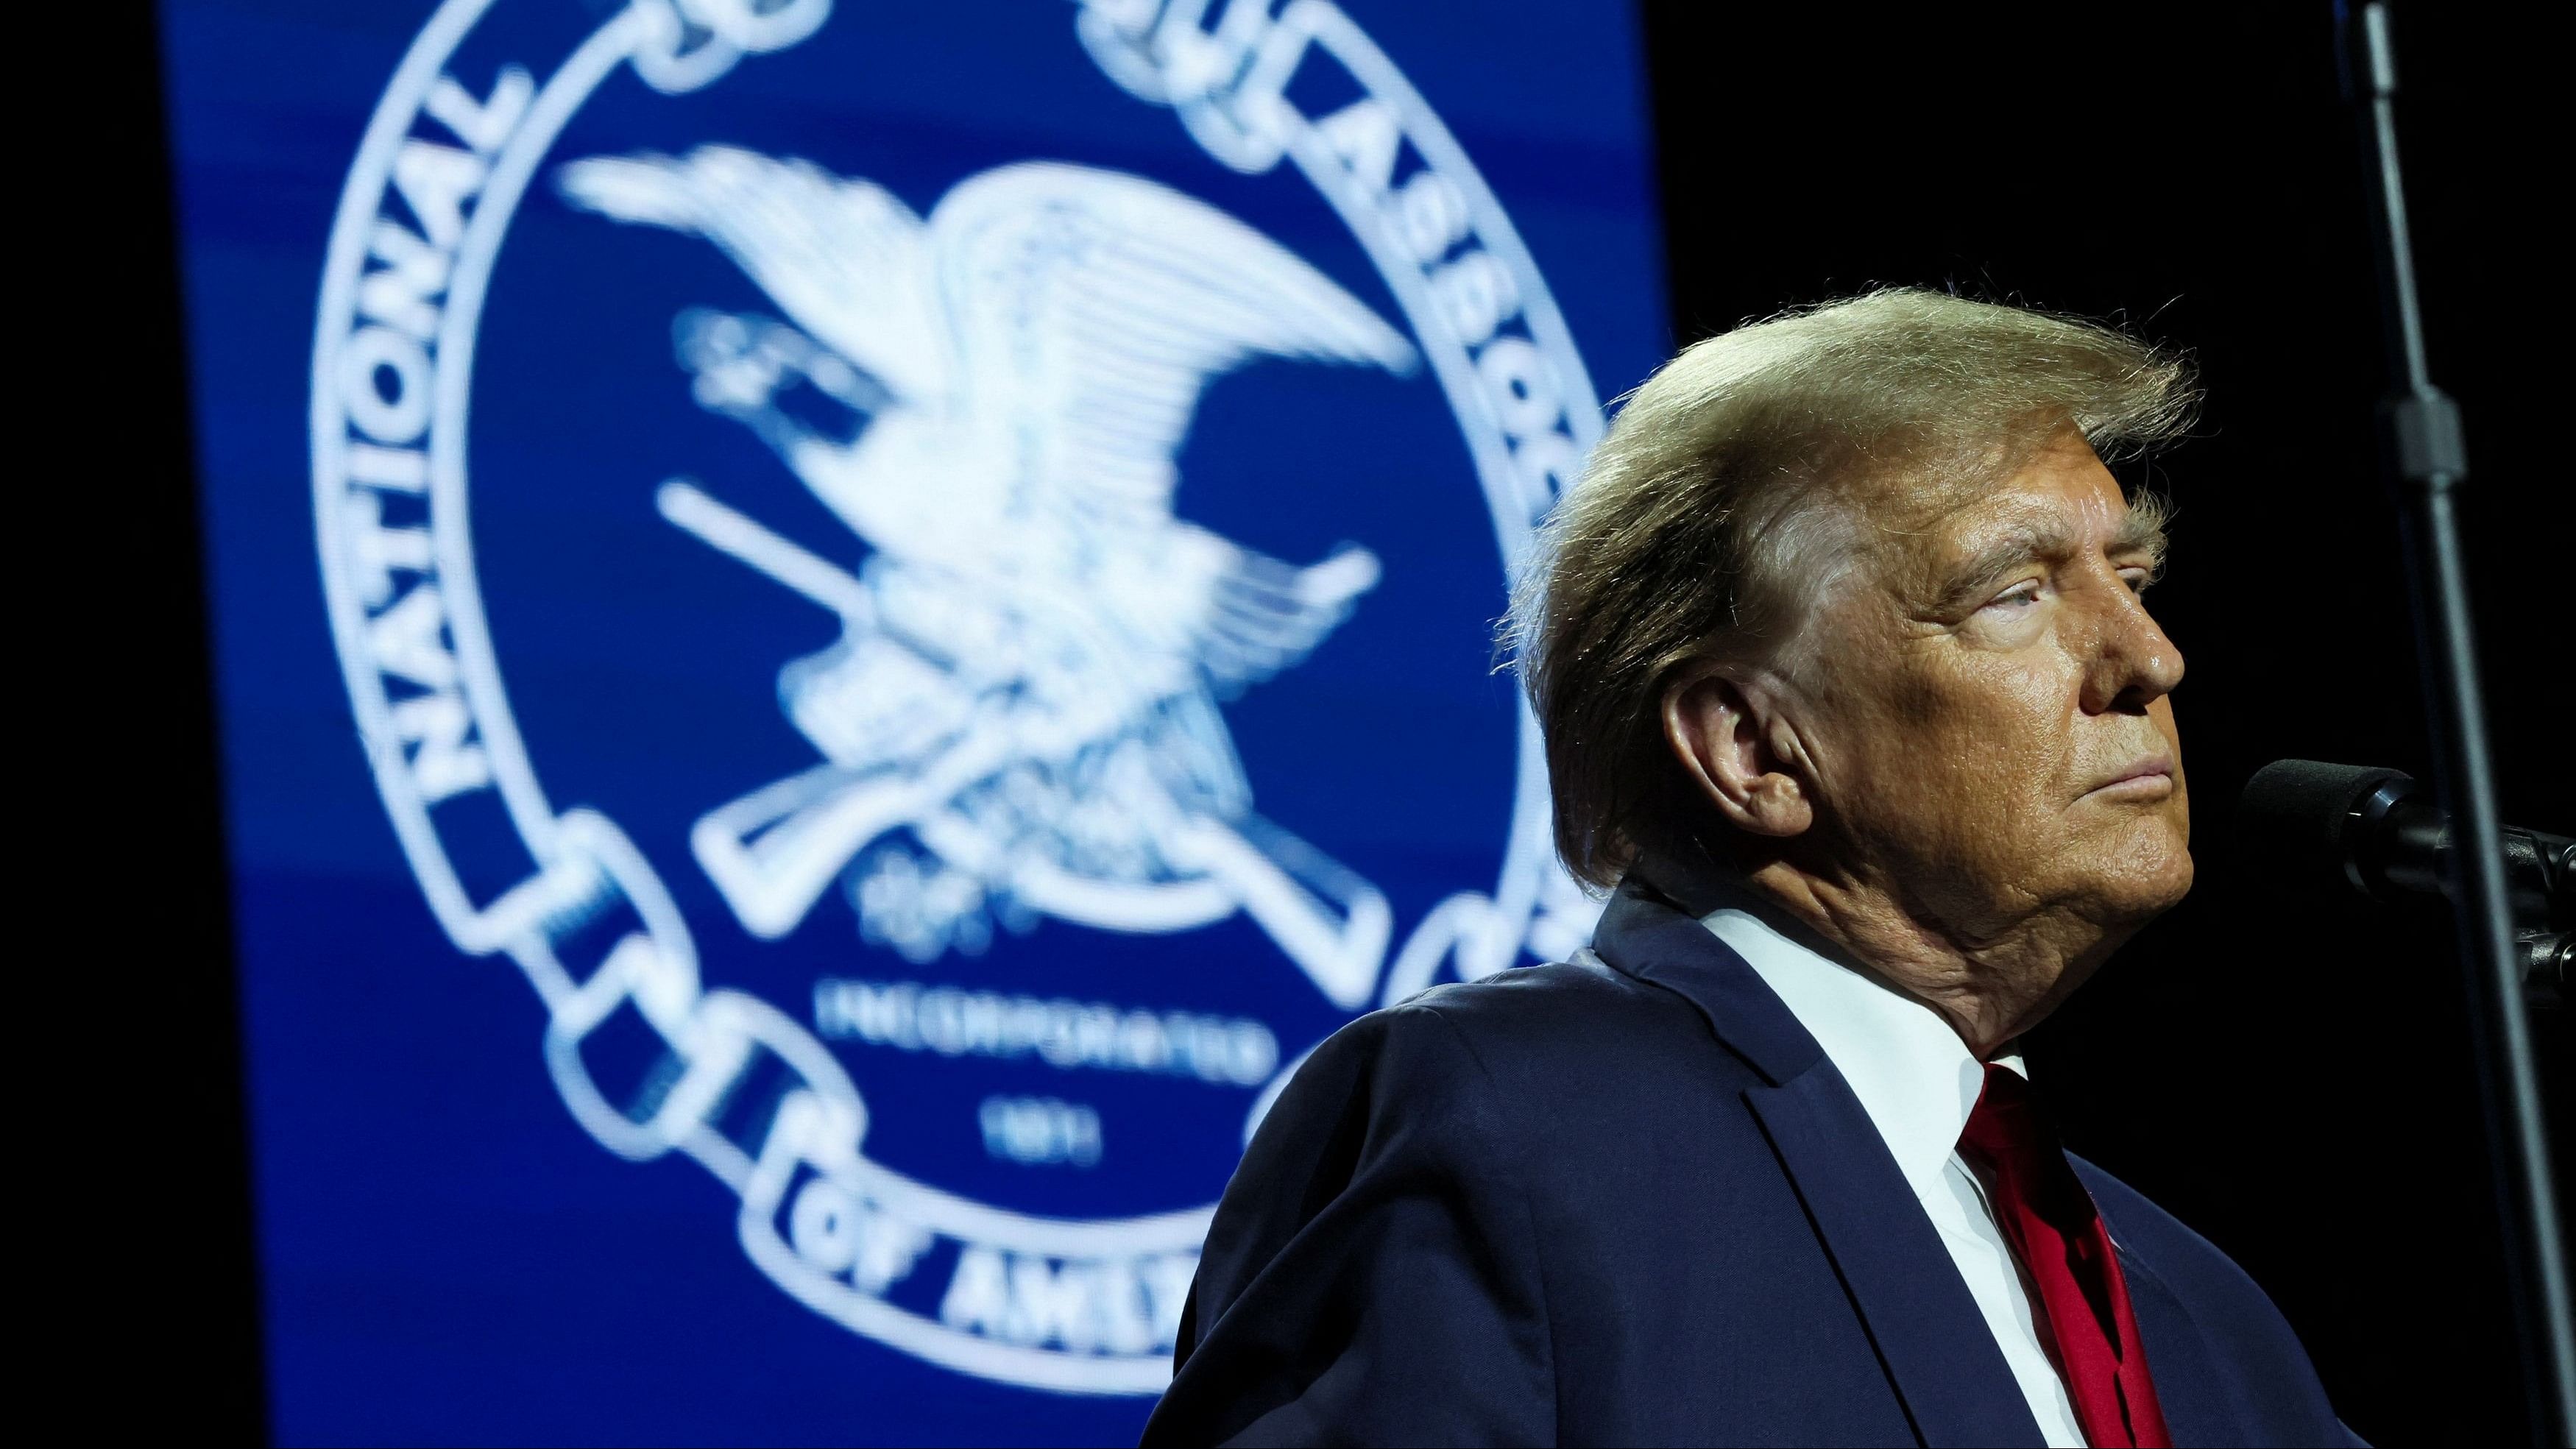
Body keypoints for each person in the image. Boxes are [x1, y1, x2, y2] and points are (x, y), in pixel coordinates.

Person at [1140, 290, 2355, 1447]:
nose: (2151, 656)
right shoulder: (1502, 1126)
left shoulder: (2214, 1328)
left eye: (2132, 579)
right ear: (1753, 746)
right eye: (2017, 591)